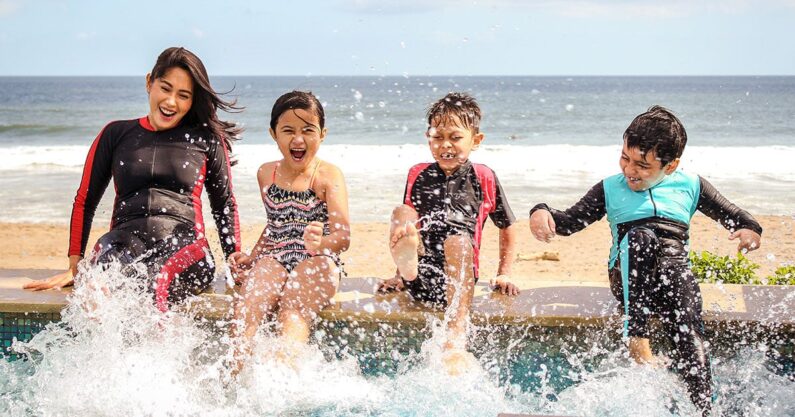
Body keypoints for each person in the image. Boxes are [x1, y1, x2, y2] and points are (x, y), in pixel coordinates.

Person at [529, 105, 762, 415]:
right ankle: (638, 339)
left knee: (689, 321)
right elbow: (569, 222)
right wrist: (541, 210)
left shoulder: (691, 185)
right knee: (642, 238)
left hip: (673, 277)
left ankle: (703, 406)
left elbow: (734, 214)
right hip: (627, 275)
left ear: (671, 165)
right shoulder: (610, 188)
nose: (630, 170)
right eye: (625, 158)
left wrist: (749, 230)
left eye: (642, 165)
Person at [24, 47, 242, 312]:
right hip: (122, 241)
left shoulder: (205, 140)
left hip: (185, 247)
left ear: (191, 101)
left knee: (154, 283)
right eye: (165, 88)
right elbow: (85, 200)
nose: (171, 101)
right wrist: (75, 264)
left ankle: (156, 353)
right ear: (149, 82)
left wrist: (234, 260)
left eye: (183, 96)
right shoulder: (116, 134)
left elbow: (224, 204)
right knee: (98, 285)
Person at [380, 92, 519, 374]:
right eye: (437, 137)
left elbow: (507, 226)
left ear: (475, 140)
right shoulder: (417, 173)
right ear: (428, 137)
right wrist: (397, 275)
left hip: (457, 285)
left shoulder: (483, 176)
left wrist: (504, 271)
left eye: (455, 137)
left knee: (457, 240)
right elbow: (409, 229)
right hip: (421, 278)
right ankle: (405, 271)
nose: (445, 145)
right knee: (402, 214)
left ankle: (456, 333)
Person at [228, 91, 350, 371]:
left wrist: (320, 244)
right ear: (273, 134)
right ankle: (235, 376)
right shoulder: (266, 173)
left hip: (319, 261)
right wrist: (253, 255)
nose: (298, 139)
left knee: (293, 309)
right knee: (249, 304)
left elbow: (343, 238)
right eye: (288, 131)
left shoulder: (328, 175)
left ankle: (285, 376)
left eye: (308, 130)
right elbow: (275, 225)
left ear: (322, 134)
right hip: (276, 256)